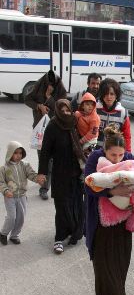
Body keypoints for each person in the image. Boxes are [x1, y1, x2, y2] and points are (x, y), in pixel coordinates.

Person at [84, 127, 134, 295]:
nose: (117, 159)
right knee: (103, 269)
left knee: (120, 265)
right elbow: (87, 186)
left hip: (122, 225)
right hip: (101, 225)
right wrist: (111, 191)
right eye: (113, 155)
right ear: (105, 150)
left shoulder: (128, 157)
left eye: (120, 155)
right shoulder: (95, 158)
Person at [38, 99, 86, 255]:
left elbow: (81, 144)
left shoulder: (73, 122)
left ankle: (74, 232)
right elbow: (45, 151)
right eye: (62, 110)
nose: (65, 113)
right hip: (61, 174)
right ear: (57, 111)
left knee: (76, 205)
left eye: (68, 110)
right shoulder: (53, 126)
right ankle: (59, 238)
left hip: (76, 173)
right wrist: (42, 173)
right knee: (62, 206)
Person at [25, 70, 67, 200]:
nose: (51, 86)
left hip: (55, 128)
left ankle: (49, 184)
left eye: (53, 85)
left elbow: (62, 107)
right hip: (40, 129)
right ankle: (43, 186)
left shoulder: (60, 90)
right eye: (49, 84)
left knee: (53, 159)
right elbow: (27, 99)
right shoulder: (38, 86)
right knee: (43, 158)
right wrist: (39, 106)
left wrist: (49, 97)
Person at [0, 141, 45, 246]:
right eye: (15, 153)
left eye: (20, 153)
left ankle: (14, 235)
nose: (18, 155)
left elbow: (31, 175)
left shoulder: (25, 165)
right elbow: (1, 182)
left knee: (21, 217)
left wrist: (38, 179)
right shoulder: (4, 168)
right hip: (10, 197)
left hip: (22, 196)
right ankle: (3, 233)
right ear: (10, 153)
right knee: (12, 217)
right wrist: (6, 191)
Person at [96, 78, 131, 151]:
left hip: (113, 153)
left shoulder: (123, 113)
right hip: (95, 151)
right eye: (106, 93)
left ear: (116, 95)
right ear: (102, 95)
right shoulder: (95, 109)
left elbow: (127, 136)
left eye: (112, 94)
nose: (109, 97)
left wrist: (127, 153)